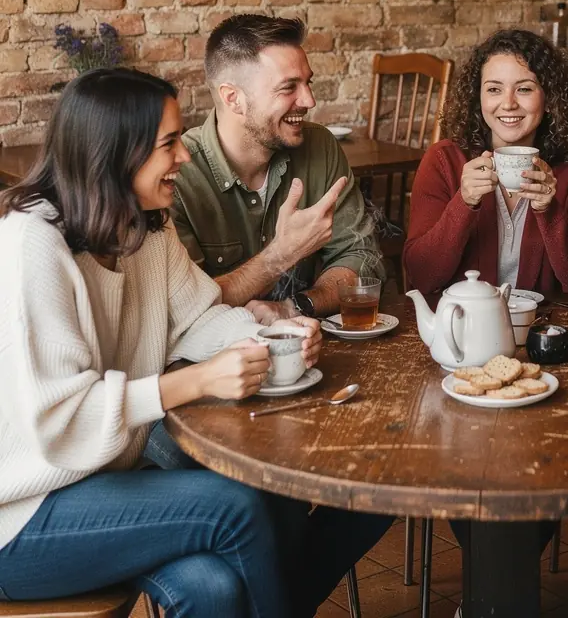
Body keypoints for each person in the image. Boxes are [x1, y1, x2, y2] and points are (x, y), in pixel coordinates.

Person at [0, 68, 367, 616]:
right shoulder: (33, 244)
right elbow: (61, 420)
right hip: (24, 513)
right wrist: (192, 381)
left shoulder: (145, 225)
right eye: (169, 143)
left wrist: (271, 334)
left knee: (212, 587)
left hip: (103, 481)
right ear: (115, 153)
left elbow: (197, 316)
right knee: (236, 505)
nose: (185, 157)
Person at [171, 14, 383, 324]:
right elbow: (181, 310)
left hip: (310, 346)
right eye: (288, 88)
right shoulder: (177, 175)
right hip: (213, 364)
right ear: (234, 99)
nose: (309, 100)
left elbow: (362, 258)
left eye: (307, 82)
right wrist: (280, 255)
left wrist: (297, 306)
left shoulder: (320, 146)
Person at [404, 28, 568, 296]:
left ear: (548, 98)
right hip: (464, 327)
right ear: (479, 98)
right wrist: (464, 202)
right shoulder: (443, 161)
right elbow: (421, 276)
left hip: (542, 329)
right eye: (494, 89)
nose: (508, 104)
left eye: (524, 89)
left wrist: (549, 210)